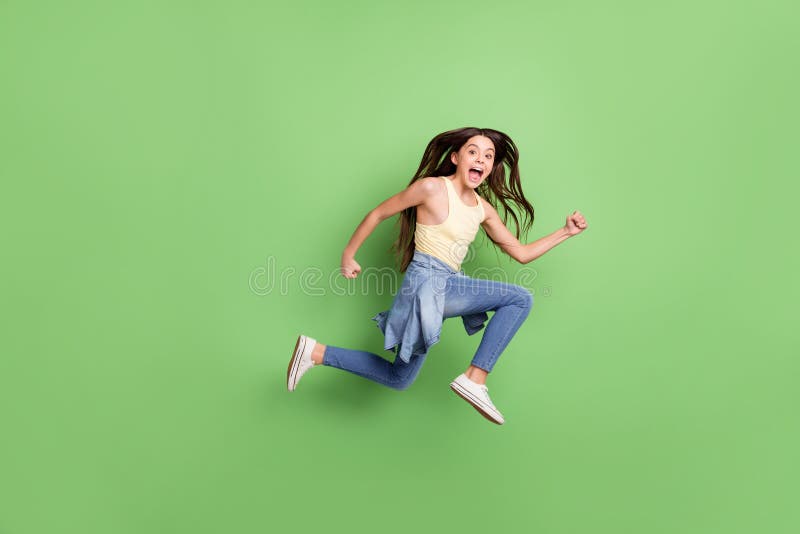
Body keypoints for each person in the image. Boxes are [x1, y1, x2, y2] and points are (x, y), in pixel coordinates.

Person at [287, 127, 588, 424]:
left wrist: (565, 232)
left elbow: (521, 254)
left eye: (488, 155)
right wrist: (348, 254)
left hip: (443, 286)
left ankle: (315, 351)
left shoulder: (483, 210)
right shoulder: (432, 188)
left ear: (491, 167)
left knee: (398, 378)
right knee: (520, 299)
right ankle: (475, 378)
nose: (481, 159)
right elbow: (378, 213)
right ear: (456, 158)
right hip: (426, 281)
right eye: (473, 152)